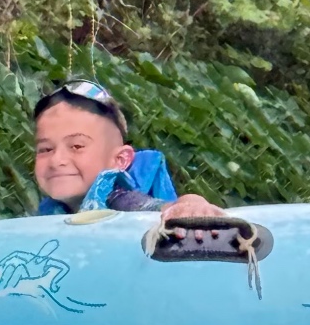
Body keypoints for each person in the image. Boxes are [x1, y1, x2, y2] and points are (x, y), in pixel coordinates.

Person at [32, 79, 224, 230]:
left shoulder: (118, 200)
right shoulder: (50, 212)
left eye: (76, 146)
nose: (57, 160)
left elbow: (152, 208)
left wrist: (190, 202)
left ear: (120, 160)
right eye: (46, 149)